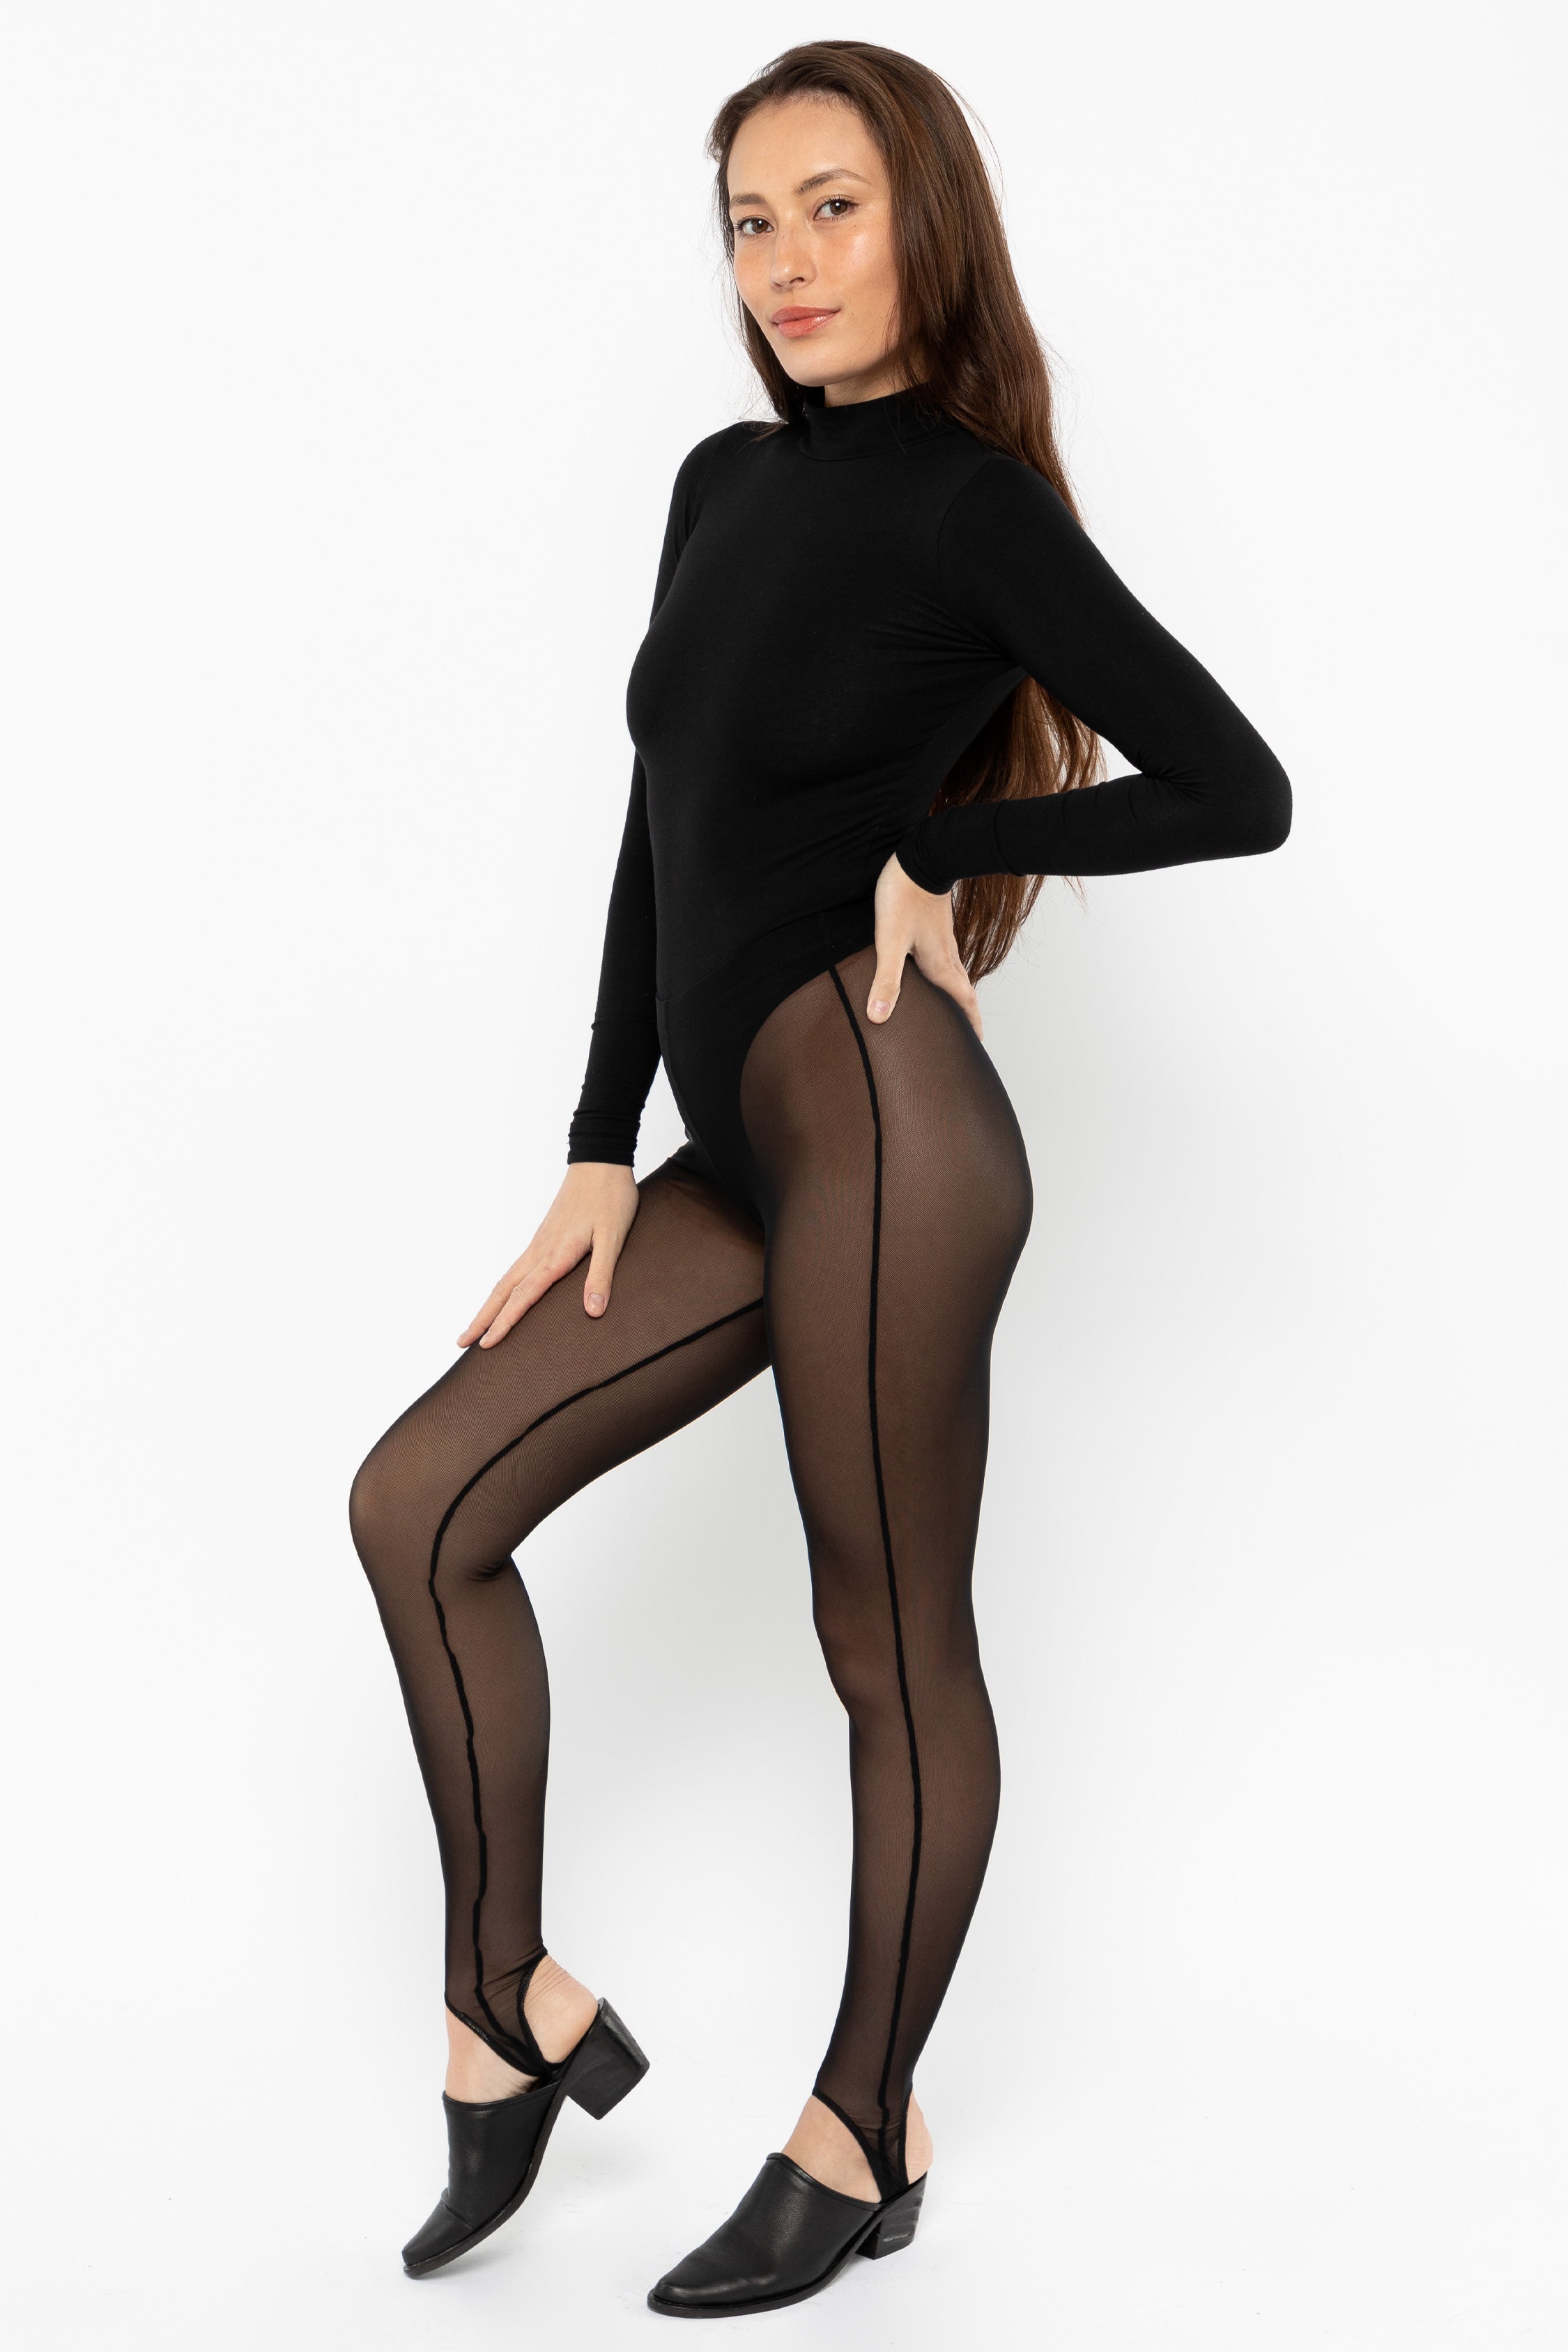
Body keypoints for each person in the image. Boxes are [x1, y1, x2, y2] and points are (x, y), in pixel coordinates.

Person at [348, 38, 1291, 2321]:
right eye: (749, 222)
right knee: (420, 1508)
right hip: (736, 1144)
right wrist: (596, 1147)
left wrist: (945, 849)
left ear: (923, 222)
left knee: (880, 1639)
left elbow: (1235, 784)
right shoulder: (719, 484)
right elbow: (656, 827)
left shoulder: (970, 507)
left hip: (882, 1126)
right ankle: (504, 2006)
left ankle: (862, 2126)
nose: (784, 262)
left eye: (831, 208)